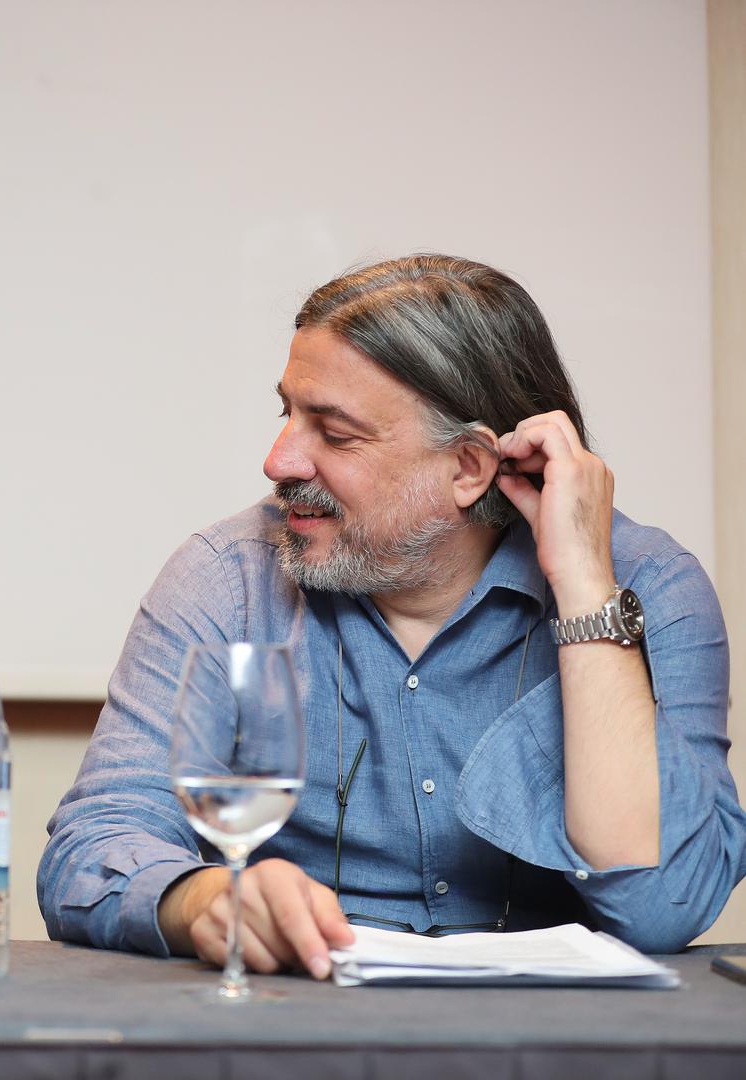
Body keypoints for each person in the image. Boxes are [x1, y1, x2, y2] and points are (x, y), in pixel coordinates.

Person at [38, 254, 745, 976]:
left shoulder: (647, 586)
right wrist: (203, 901)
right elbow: (92, 848)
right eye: (287, 414)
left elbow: (664, 905)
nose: (279, 461)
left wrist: (586, 588)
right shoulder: (230, 577)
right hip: (303, 1010)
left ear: (468, 468)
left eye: (335, 433)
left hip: (556, 1028)